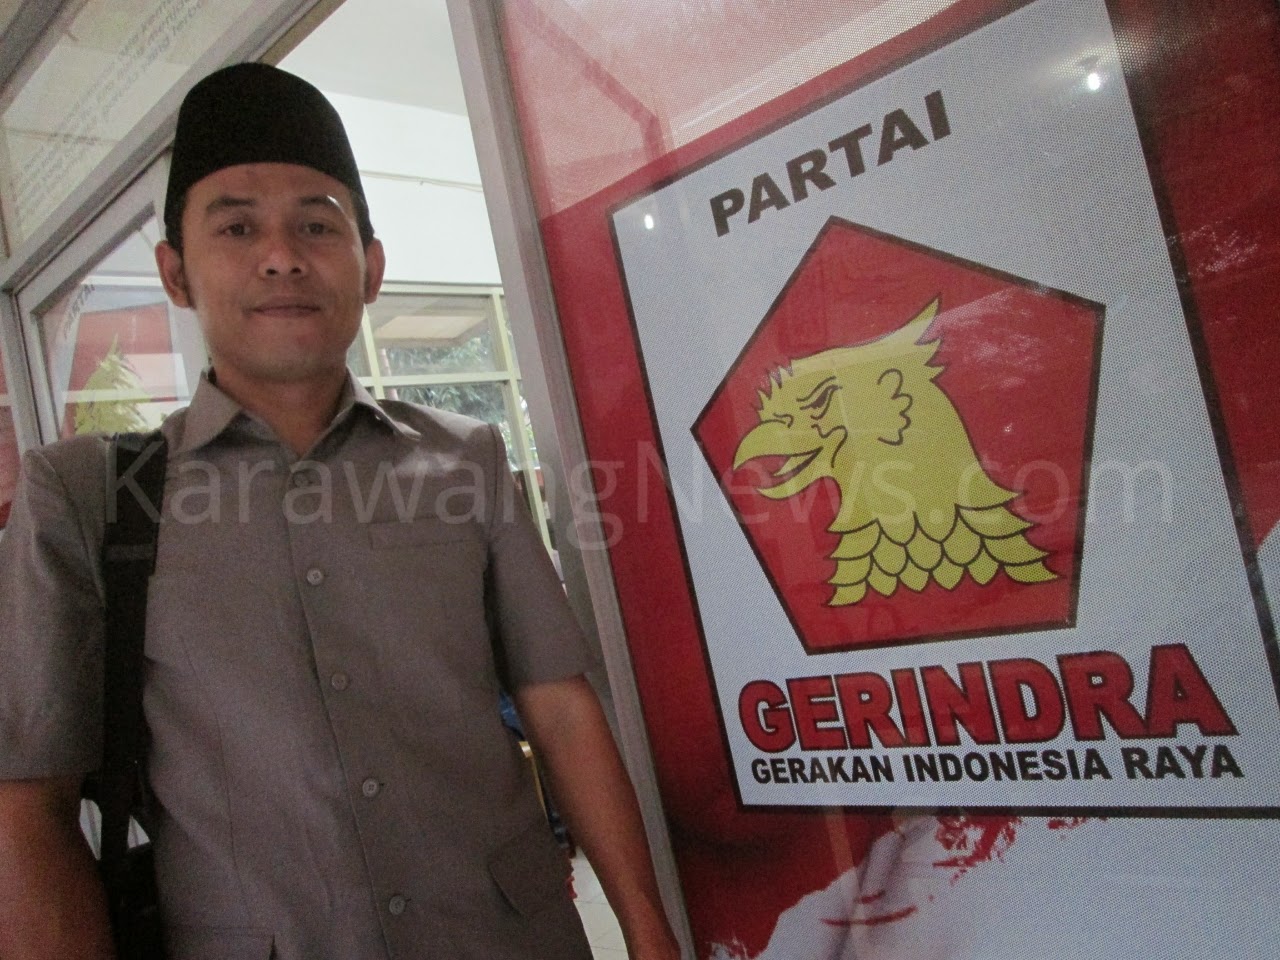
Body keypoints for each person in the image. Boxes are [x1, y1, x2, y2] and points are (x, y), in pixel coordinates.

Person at [0, 62, 680, 960]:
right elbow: (28, 807)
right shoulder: (89, 498)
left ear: (371, 267)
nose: (282, 255)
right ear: (175, 272)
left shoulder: (467, 461)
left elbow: (557, 704)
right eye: (236, 226)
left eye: (317, 224)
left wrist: (648, 932)